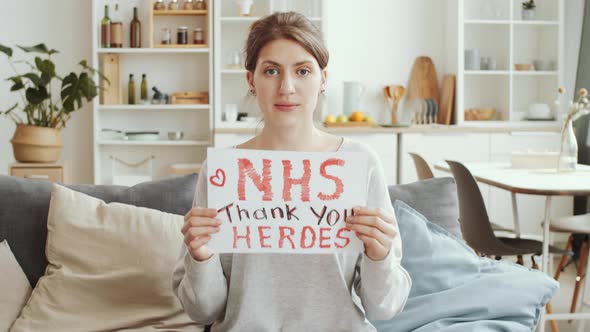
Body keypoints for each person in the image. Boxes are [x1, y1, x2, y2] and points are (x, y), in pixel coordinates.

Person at [173, 11, 411, 331]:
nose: (287, 87)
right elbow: (203, 311)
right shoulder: (222, 173)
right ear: (251, 80)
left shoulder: (361, 162)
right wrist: (201, 257)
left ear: (323, 79)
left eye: (302, 71)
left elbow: (384, 308)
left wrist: (379, 256)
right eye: (271, 71)